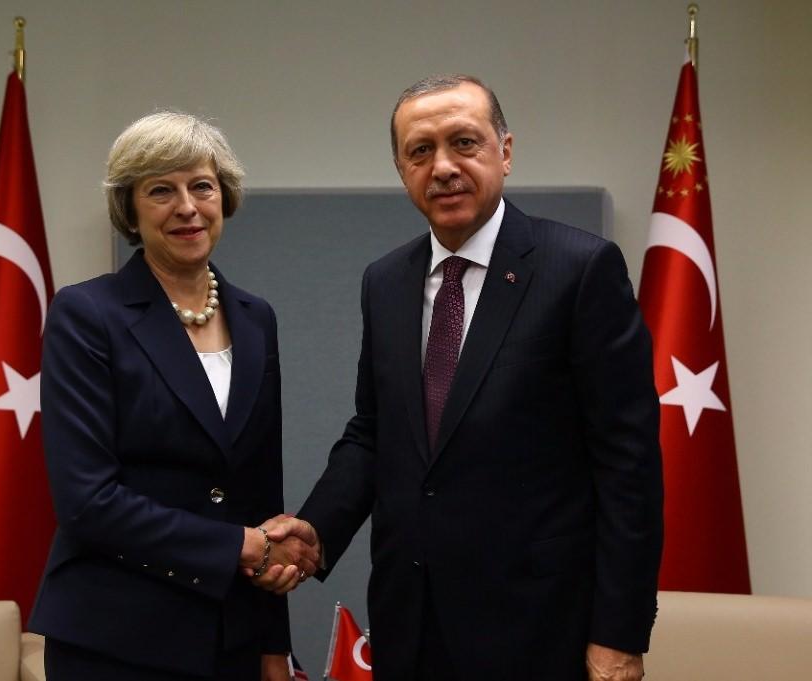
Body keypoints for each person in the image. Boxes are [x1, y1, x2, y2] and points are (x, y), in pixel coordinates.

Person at [258, 75, 663, 680]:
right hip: (410, 627)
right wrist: (317, 528)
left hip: (541, 629)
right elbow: (375, 431)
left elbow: (629, 468)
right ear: (402, 170)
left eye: (464, 143)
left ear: (505, 151)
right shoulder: (385, 281)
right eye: (420, 151)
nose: (443, 167)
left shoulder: (579, 269)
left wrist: (618, 636)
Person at [29, 111, 318, 681]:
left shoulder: (256, 318)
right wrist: (240, 547)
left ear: (223, 196)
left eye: (201, 186)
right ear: (130, 209)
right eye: (161, 190)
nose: (187, 207)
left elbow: (260, 493)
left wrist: (272, 646)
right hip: (116, 641)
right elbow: (87, 502)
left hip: (232, 638)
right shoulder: (86, 314)